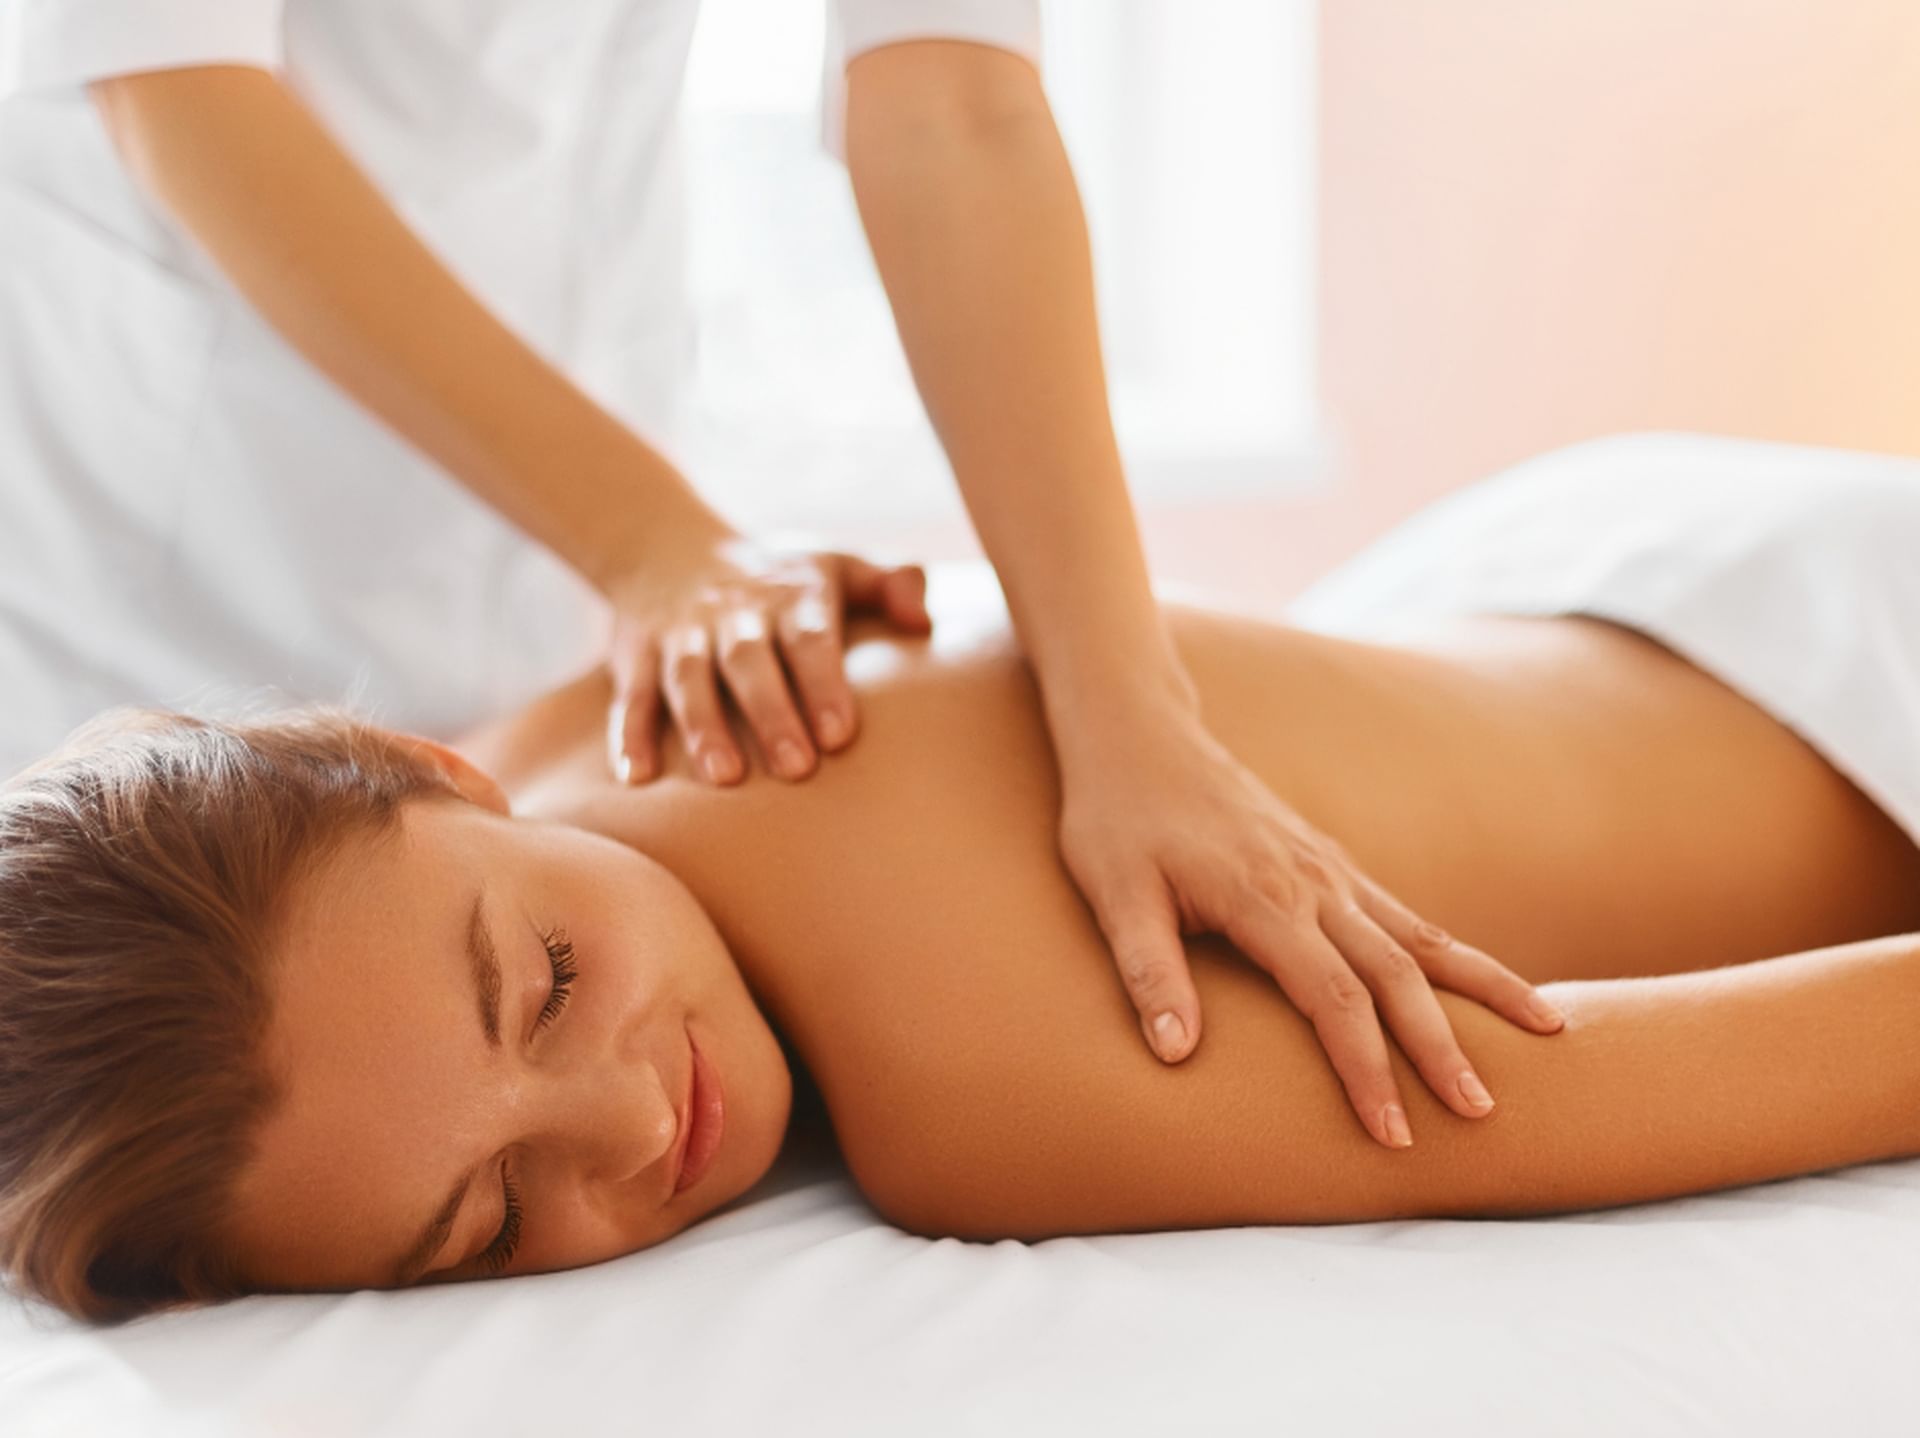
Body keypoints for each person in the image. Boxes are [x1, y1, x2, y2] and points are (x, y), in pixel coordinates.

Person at [0, 0, 1555, 1101]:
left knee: (512, 1022)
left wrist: (1130, 713)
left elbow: (953, 102)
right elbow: (179, 90)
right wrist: (653, 539)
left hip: (550, 499)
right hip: (171, 535)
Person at [6, 432, 1920, 1323]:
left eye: (555, 983)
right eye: (490, 1224)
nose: (619, 1126)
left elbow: (1649, 1076)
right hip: (1582, 551)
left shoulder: (968, 1086)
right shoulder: (602, 698)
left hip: (1847, 707)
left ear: (425, 771)